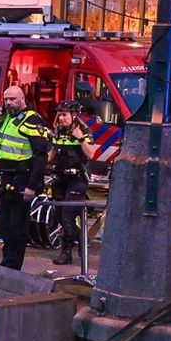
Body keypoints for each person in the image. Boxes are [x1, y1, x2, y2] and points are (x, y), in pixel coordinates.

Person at [0, 85, 49, 270]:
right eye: (6, 99)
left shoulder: (31, 119)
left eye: (12, 99)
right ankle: (7, 261)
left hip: (22, 178)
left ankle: (13, 266)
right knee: (5, 223)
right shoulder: (6, 117)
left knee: (17, 225)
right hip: (6, 176)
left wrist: (32, 185)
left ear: (22, 99)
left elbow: (41, 156)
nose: (8, 103)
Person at [48, 101, 98, 265]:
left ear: (74, 115)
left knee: (68, 216)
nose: (61, 118)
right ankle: (82, 240)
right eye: (59, 114)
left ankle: (66, 250)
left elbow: (91, 154)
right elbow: (53, 153)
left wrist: (81, 138)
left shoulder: (83, 131)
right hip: (60, 178)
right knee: (60, 216)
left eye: (64, 114)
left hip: (76, 180)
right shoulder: (58, 130)